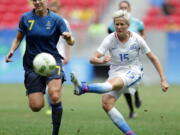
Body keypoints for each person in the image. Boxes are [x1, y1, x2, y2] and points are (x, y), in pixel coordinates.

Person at [71, 10, 168, 135]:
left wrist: (163, 79)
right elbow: (92, 58)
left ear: (128, 25)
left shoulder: (137, 39)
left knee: (110, 85)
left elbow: (154, 58)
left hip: (133, 71)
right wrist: (101, 61)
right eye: (117, 24)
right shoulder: (110, 39)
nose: (119, 27)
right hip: (115, 72)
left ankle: (83, 87)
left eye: (122, 24)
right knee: (106, 104)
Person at [5, 0, 75, 135]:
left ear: (46, 0)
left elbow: (71, 42)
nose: (37, 2)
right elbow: (18, 37)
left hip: (52, 61)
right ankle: (39, 92)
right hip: (32, 64)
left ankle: (55, 132)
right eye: (34, 0)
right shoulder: (25, 18)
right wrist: (12, 50)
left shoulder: (57, 19)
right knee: (36, 106)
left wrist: (69, 38)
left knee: (54, 95)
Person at [108, 0, 145, 118]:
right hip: (120, 59)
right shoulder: (112, 25)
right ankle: (132, 110)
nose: (124, 10)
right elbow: (110, 39)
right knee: (124, 85)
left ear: (130, 9)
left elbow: (143, 33)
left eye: (125, 7)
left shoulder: (137, 23)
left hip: (133, 58)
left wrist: (141, 45)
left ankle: (137, 95)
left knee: (132, 80)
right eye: (121, 8)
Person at [45, 0, 72, 115]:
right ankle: (52, 106)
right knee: (48, 85)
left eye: (56, 11)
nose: (54, 12)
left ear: (59, 10)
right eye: (52, 10)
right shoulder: (45, 21)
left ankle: (55, 104)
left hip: (59, 56)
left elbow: (68, 41)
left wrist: (67, 56)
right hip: (46, 56)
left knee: (58, 84)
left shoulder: (64, 22)